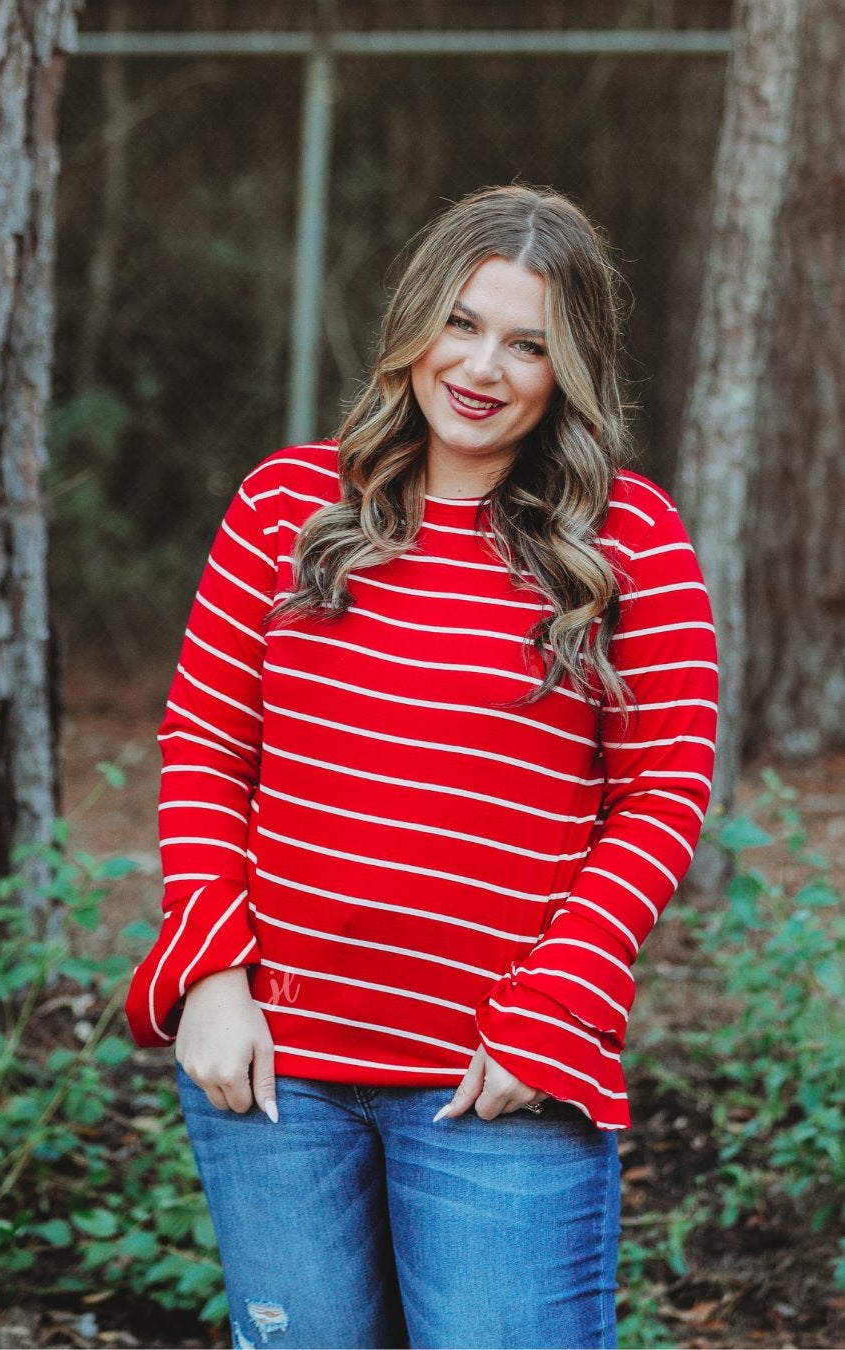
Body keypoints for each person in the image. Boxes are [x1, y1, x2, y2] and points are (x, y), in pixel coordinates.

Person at [125, 184, 718, 1350]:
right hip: (277, 1073)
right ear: (412, 324)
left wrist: (552, 1010)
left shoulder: (625, 540)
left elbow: (661, 796)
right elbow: (203, 746)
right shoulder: (286, 508)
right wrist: (209, 974)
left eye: (527, 343)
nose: (483, 367)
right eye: (462, 322)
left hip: (498, 1073)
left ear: (570, 368)